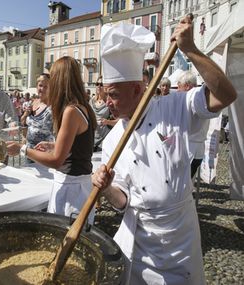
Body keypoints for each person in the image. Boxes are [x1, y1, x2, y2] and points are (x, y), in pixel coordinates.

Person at [92, 17, 236, 285]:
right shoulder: (112, 140)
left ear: (137, 89)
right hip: (140, 244)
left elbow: (226, 95)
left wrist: (191, 50)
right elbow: (122, 202)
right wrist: (106, 188)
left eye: (112, 94)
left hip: (179, 238)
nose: (106, 102)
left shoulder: (175, 107)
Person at [7, 56, 97, 223]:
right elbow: (79, 147)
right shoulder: (82, 107)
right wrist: (54, 145)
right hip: (80, 186)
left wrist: (22, 148)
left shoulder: (71, 111)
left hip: (72, 191)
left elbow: (57, 161)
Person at [177, 70, 209, 178]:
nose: (177, 90)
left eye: (179, 86)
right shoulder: (199, 98)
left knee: (182, 185)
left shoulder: (194, 98)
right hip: (195, 150)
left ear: (187, 86)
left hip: (189, 149)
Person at [20, 74, 54, 158]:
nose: (42, 89)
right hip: (28, 152)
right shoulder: (32, 102)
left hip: (44, 154)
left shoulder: (52, 107)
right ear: (36, 86)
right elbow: (23, 122)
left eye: (46, 87)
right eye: (40, 85)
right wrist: (25, 115)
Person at [89, 76, 117, 152]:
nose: (98, 86)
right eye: (97, 84)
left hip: (105, 139)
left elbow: (120, 121)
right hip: (92, 139)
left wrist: (107, 122)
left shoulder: (109, 102)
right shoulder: (91, 101)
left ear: (105, 86)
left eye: (101, 84)